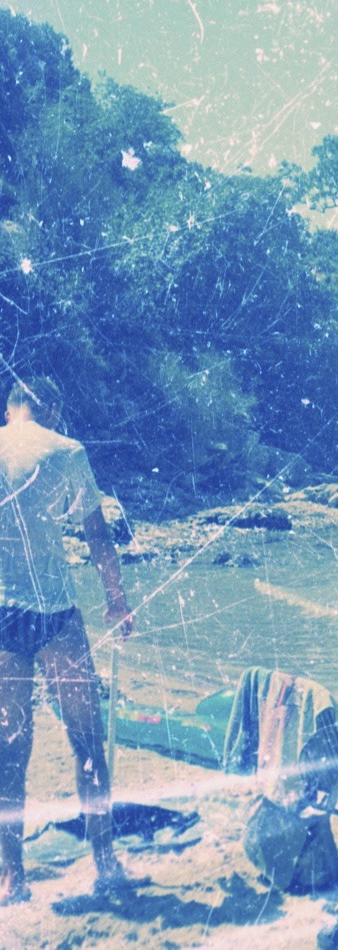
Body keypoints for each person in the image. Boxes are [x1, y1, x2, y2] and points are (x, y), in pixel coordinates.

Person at [0, 378, 134, 906]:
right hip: (55, 613)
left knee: (10, 750)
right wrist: (116, 600)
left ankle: (12, 878)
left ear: (10, 407)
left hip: (3, 614)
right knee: (86, 741)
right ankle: (104, 865)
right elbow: (97, 535)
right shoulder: (67, 451)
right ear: (49, 408)